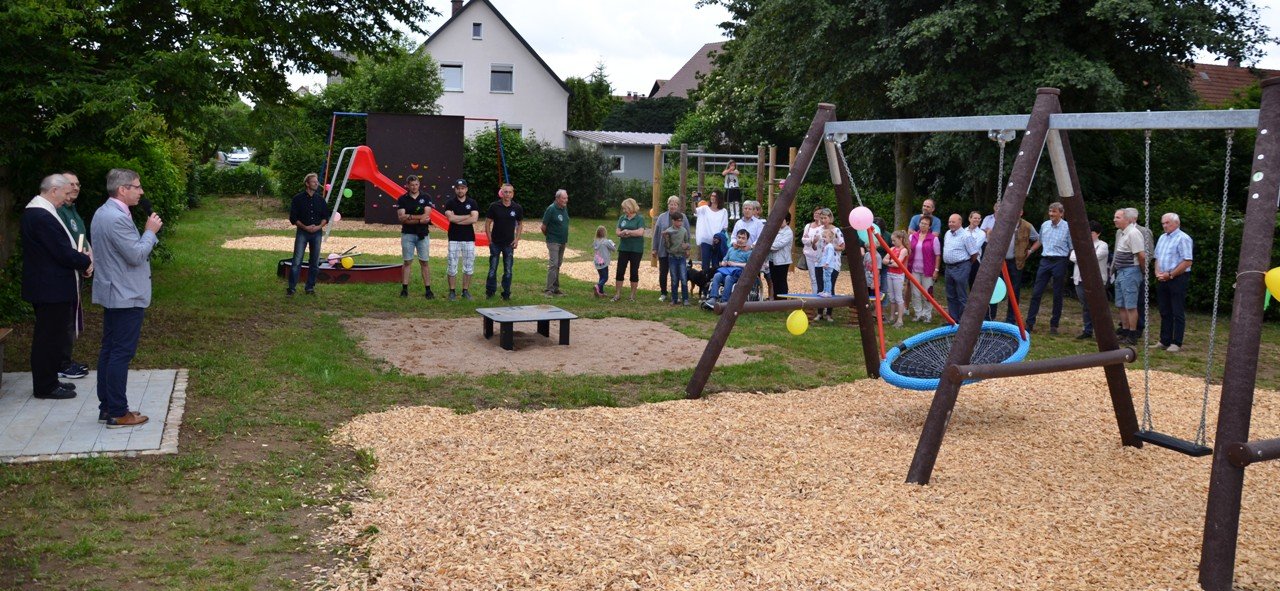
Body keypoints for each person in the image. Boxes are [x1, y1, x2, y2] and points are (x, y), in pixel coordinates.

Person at [91, 168, 161, 428]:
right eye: (137, 187)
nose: (141, 192)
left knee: (109, 350)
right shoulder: (116, 218)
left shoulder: (103, 212)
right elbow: (135, 255)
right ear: (123, 189)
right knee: (120, 353)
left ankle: (107, 407)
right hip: (126, 294)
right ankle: (118, 412)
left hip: (114, 292)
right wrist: (150, 231)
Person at [21, 174, 92, 400]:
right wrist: (85, 261)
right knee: (48, 338)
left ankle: (50, 378)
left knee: (53, 336)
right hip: (49, 288)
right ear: (54, 191)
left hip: (50, 286)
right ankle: (45, 386)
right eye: (64, 193)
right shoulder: (41, 216)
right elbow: (60, 252)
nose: (65, 198)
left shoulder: (41, 212)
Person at [56, 170, 90, 380]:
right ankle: (61, 363)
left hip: (77, 269)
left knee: (70, 317)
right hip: (64, 273)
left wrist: (89, 261)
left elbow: (82, 239)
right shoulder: (58, 212)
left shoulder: (73, 210)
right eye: (71, 184)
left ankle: (65, 360)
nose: (76, 187)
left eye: (78, 184)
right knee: (63, 319)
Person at [986, 202, 1040, 322]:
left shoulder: (1027, 226)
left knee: (1014, 291)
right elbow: (991, 238)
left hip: (1016, 263)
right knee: (995, 288)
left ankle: (1011, 319)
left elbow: (1038, 239)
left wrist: (1030, 251)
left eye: (1018, 211)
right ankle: (990, 316)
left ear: (1021, 213)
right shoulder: (1003, 223)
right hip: (1000, 262)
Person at [1024, 202, 1071, 334]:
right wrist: (1030, 251)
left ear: (1061, 213)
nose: (1051, 214)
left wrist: (1070, 261)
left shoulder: (1068, 227)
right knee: (1036, 293)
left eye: (1054, 212)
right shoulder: (1045, 225)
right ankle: (1029, 323)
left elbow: (1072, 246)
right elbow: (1040, 241)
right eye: (1050, 211)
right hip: (1045, 261)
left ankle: (1054, 325)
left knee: (1057, 294)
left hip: (1060, 261)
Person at [1152, 212, 1193, 352]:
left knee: (1177, 310)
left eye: (1167, 223)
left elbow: (1187, 261)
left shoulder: (1183, 238)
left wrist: (1170, 275)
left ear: (1176, 223)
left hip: (1177, 278)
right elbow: (1157, 257)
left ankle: (1176, 342)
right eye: (1163, 223)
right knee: (1164, 310)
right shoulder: (1162, 237)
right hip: (1162, 277)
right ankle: (1164, 340)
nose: (1164, 226)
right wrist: (1157, 272)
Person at [287, 173, 328, 296]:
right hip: (302, 232)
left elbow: (326, 217)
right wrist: (305, 227)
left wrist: (318, 227)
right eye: (314, 182)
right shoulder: (297, 199)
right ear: (307, 184)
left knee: (314, 262)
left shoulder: (320, 200)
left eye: (317, 181)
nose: (316, 183)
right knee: (297, 261)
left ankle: (310, 287)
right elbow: (293, 218)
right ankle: (292, 288)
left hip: (317, 233)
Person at [1111, 207, 1147, 345]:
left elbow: (1141, 255)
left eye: (1117, 217)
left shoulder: (1133, 233)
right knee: (1121, 303)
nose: (1114, 220)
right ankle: (1125, 330)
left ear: (1126, 219)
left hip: (1130, 271)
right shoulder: (1121, 233)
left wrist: (1142, 271)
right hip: (1121, 271)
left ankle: (1132, 334)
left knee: (1131, 304)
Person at [396, 175, 435, 299]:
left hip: (423, 234)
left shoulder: (426, 197)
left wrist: (410, 216)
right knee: (407, 261)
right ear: (407, 185)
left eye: (416, 184)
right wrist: (418, 219)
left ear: (419, 184)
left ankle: (428, 290)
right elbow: (402, 218)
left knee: (424, 261)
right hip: (408, 234)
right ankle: (404, 289)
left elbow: (427, 215)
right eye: (412, 185)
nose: (414, 187)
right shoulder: (402, 199)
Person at [1069, 220, 1110, 340]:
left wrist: (1082, 257)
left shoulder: (1102, 245)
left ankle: (1101, 331)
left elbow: (1093, 258)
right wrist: (1083, 257)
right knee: (1085, 305)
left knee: (1096, 306)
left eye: (1091, 232)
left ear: (1098, 234)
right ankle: (1087, 330)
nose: (1089, 235)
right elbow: (1072, 256)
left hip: (1095, 280)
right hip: (1080, 279)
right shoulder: (1080, 243)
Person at [484, 183, 522, 300]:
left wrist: (516, 239)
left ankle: (506, 293)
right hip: (495, 243)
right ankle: (490, 293)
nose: (508, 194)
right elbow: (487, 223)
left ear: (513, 194)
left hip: (509, 244)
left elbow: (520, 224)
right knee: (492, 269)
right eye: (505, 192)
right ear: (502, 193)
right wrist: (489, 239)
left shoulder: (517, 208)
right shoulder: (494, 206)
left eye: (510, 192)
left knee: (508, 270)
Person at [442, 178, 479, 301]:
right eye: (458, 188)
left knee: (468, 265)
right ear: (455, 189)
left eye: (462, 188)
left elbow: (474, 219)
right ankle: (452, 291)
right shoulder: (450, 203)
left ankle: (465, 290)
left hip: (469, 238)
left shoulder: (472, 202)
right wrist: (467, 216)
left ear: (466, 189)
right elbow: (451, 219)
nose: (460, 190)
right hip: (454, 238)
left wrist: (457, 218)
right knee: (452, 265)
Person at [942, 213, 980, 321]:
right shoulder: (947, 233)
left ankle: (963, 320)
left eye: (953, 222)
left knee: (961, 295)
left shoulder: (966, 236)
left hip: (961, 266)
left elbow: (974, 254)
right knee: (950, 294)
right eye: (949, 222)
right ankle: (953, 319)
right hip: (949, 268)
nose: (950, 224)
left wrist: (966, 265)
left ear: (960, 222)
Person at [705, 229, 753, 307]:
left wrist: (735, 263)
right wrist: (724, 263)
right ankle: (713, 298)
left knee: (728, 278)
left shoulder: (749, 252)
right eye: (739, 237)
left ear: (747, 240)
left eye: (743, 238)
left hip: (739, 272)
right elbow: (724, 260)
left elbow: (749, 265)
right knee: (717, 275)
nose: (740, 240)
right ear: (736, 238)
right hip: (727, 270)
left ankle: (725, 301)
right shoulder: (731, 249)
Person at [612, 198, 647, 302]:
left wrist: (628, 232)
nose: (624, 211)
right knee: (620, 271)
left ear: (631, 207)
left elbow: (640, 232)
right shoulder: (622, 218)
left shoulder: (640, 219)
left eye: (625, 208)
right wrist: (622, 233)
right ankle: (617, 294)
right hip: (623, 248)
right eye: (623, 209)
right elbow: (617, 232)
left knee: (634, 272)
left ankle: (632, 296)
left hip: (636, 250)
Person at [908, 215, 941, 322]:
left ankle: (927, 315)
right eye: (922, 223)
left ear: (929, 226)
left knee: (928, 293)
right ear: (919, 224)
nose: (923, 225)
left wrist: (936, 270)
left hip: (928, 270)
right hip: (914, 269)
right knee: (915, 293)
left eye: (926, 224)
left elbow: (937, 255)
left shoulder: (934, 239)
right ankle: (918, 314)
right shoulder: (912, 237)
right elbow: (908, 252)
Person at [540, 189, 570, 296]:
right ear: (557, 198)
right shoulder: (551, 209)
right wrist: (550, 237)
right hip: (553, 241)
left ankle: (556, 288)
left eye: (566, 198)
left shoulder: (564, 208)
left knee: (558, 264)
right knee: (553, 264)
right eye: (563, 198)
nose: (566, 200)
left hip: (562, 241)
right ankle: (549, 290)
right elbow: (543, 227)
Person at [651, 196, 681, 302]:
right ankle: (663, 292)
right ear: (668, 205)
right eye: (671, 204)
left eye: (675, 204)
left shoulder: (682, 217)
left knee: (675, 273)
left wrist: (687, 249)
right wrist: (654, 248)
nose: (672, 206)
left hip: (677, 251)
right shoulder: (661, 217)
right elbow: (656, 234)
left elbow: (686, 234)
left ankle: (674, 294)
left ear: (678, 206)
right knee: (663, 272)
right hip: (663, 249)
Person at [695, 192, 729, 271]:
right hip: (706, 240)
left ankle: (714, 282)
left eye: (715, 196)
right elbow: (695, 211)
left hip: (717, 241)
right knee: (705, 265)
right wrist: (694, 201)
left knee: (715, 265)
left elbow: (724, 227)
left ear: (719, 198)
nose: (712, 197)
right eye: (712, 195)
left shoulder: (724, 211)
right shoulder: (705, 208)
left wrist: (718, 237)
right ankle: (705, 282)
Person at [664, 212, 692, 306]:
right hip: (672, 257)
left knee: (684, 278)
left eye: (681, 221)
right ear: (673, 221)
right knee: (674, 279)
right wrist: (666, 238)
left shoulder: (684, 230)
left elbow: (688, 242)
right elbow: (667, 246)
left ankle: (685, 299)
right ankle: (674, 298)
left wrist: (687, 247)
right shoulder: (669, 231)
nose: (680, 223)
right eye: (678, 221)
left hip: (681, 257)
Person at [886, 230, 909, 328]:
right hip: (890, 274)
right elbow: (884, 260)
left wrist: (889, 262)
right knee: (891, 297)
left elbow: (897, 264)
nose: (892, 243)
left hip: (898, 276)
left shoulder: (904, 250)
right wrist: (891, 262)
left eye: (894, 240)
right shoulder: (892, 248)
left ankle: (900, 320)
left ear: (901, 239)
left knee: (898, 297)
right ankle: (891, 317)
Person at [768, 212, 794, 298]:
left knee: (781, 281)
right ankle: (776, 299)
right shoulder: (775, 230)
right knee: (774, 281)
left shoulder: (788, 232)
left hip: (782, 261)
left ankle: (782, 300)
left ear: (787, 221)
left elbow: (777, 245)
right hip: (772, 259)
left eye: (782, 219)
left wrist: (767, 246)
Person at [801, 207, 825, 294]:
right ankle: (814, 296)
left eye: (819, 213)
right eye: (815, 213)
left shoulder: (823, 227)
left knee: (821, 277)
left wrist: (810, 240)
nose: (816, 215)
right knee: (813, 277)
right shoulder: (808, 226)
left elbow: (821, 241)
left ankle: (822, 295)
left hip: (820, 256)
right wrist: (812, 240)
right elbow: (804, 240)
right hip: (809, 255)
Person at [592, 225, 615, 297]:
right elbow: (613, 249)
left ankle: (600, 292)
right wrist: (613, 244)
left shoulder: (595, 241)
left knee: (601, 276)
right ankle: (598, 286)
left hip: (597, 260)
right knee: (605, 277)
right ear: (605, 233)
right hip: (604, 261)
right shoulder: (606, 241)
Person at [965, 210, 986, 288]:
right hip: (962, 259)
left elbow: (975, 248)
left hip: (974, 260)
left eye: (979, 218)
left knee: (972, 284)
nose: (977, 220)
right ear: (970, 219)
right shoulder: (963, 231)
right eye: (975, 218)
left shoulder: (982, 233)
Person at [817, 229, 839, 299]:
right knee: (825, 278)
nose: (823, 238)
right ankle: (825, 291)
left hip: (828, 265)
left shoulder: (830, 246)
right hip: (825, 265)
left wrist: (826, 263)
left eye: (825, 237)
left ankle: (828, 292)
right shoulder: (826, 246)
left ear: (830, 238)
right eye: (823, 237)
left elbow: (830, 256)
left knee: (827, 279)